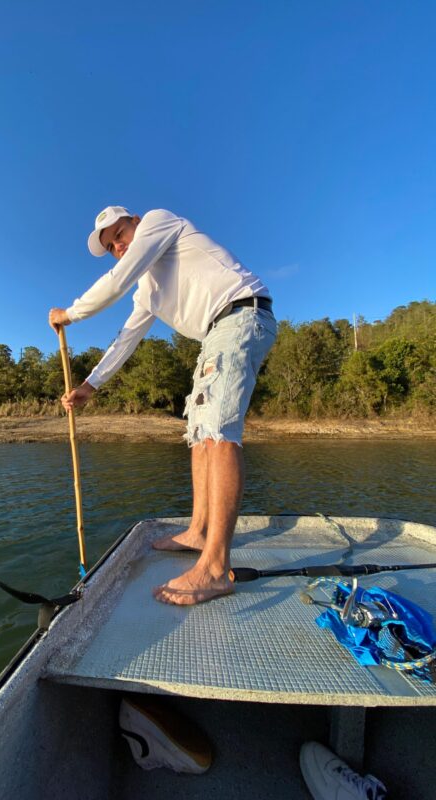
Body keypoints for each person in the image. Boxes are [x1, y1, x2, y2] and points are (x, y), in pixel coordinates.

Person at [49, 206, 276, 605]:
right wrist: (89, 386)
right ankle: (197, 531)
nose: (119, 247)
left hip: (240, 314)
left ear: (135, 221)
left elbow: (117, 281)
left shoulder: (158, 220)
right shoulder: (148, 290)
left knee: (219, 434)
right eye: (112, 247)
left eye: (119, 235)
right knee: (199, 435)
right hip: (215, 334)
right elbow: (126, 338)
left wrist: (70, 313)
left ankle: (215, 569)